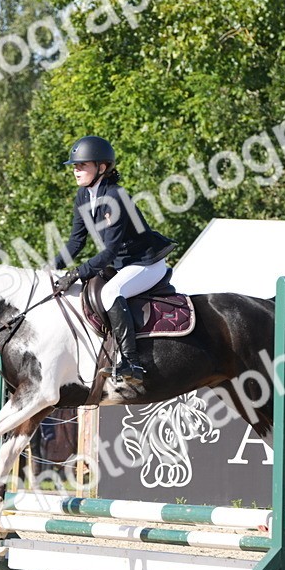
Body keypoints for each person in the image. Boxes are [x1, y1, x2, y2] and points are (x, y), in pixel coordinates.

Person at [50, 136, 175, 384]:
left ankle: (132, 363)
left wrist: (76, 273)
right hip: (122, 264)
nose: (76, 170)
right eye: (75, 166)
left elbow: (108, 251)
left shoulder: (116, 196)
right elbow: (76, 242)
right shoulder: (83, 196)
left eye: (82, 165)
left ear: (102, 167)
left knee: (110, 293)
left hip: (145, 263)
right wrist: (51, 267)